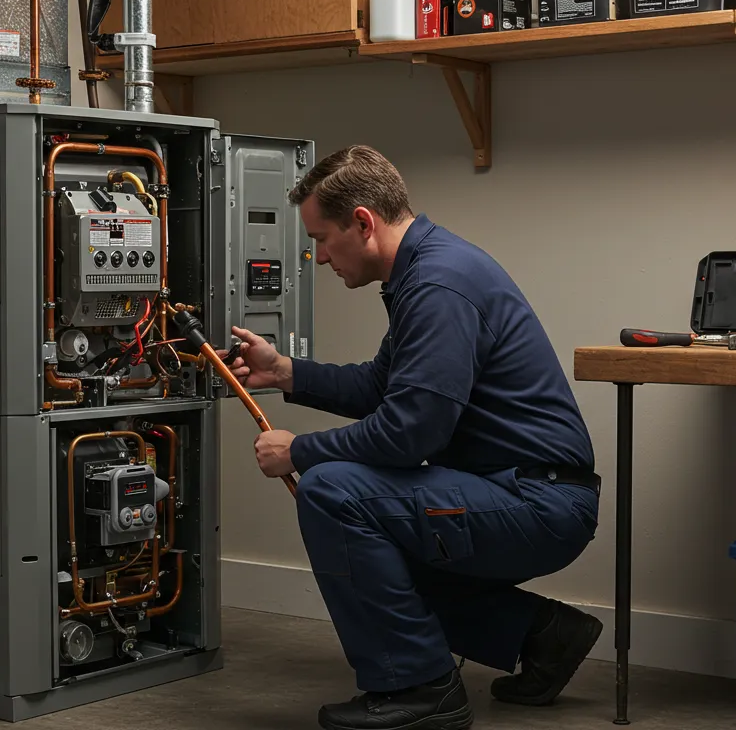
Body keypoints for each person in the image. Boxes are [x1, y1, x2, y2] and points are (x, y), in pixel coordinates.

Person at [223, 145, 603, 730]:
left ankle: (421, 689)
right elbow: (385, 387)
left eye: (322, 239)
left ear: (364, 223)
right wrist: (286, 373)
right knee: (373, 536)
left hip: (537, 501)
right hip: (517, 489)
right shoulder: (427, 270)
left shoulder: (438, 285)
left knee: (332, 492)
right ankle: (543, 635)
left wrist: (299, 451)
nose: (319, 258)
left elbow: (410, 432)